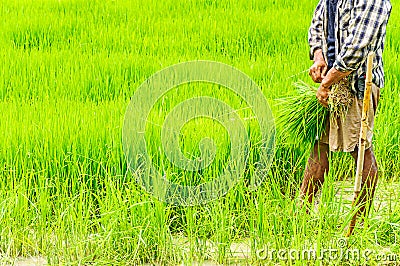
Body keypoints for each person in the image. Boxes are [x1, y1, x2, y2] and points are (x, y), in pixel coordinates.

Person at [300, 0, 392, 219]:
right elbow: (317, 25)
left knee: (360, 149)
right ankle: (300, 214)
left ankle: (358, 223)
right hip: (332, 83)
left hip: (358, 84)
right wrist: (319, 57)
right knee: (318, 146)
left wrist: (327, 83)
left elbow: (358, 46)